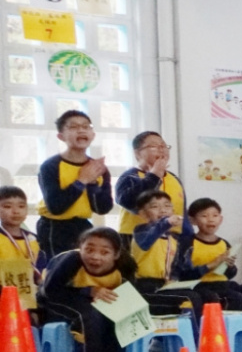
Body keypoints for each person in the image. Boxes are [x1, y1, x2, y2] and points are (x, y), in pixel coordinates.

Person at [39, 227, 136, 352]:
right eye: (89, 250)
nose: (95, 257)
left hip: (92, 300)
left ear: (116, 255)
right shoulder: (71, 260)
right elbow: (50, 291)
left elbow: (127, 295)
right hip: (56, 297)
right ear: (80, 247)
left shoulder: (124, 267)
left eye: (104, 252)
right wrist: (89, 291)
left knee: (120, 314)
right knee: (89, 315)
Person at [37, 111, 112, 256]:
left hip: (82, 225)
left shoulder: (98, 168)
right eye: (73, 127)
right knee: (59, 267)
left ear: (93, 134)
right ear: (61, 136)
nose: (81, 130)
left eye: (86, 126)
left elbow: (103, 208)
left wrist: (92, 183)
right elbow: (56, 207)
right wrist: (81, 181)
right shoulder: (50, 166)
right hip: (53, 227)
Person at [173, 198, 242, 312]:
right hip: (199, 285)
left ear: (220, 219)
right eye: (204, 216)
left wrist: (230, 267)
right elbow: (183, 275)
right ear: (192, 220)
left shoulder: (224, 243)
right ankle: (223, 323)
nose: (211, 220)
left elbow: (229, 274)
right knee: (234, 298)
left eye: (215, 215)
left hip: (223, 284)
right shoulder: (187, 243)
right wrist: (212, 264)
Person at [127, 190, 202, 317]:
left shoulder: (174, 239)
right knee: (190, 299)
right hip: (144, 287)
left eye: (167, 206)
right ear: (143, 214)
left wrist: (174, 278)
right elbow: (147, 241)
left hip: (165, 286)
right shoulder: (140, 232)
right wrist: (166, 223)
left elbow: (178, 267)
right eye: (155, 206)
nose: (162, 210)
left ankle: (193, 329)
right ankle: (196, 331)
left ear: (173, 211)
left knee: (199, 295)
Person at [114, 132, 185, 237]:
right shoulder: (130, 176)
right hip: (136, 239)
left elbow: (182, 213)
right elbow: (129, 203)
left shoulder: (174, 178)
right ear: (137, 153)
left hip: (170, 240)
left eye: (163, 146)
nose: (161, 149)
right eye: (154, 146)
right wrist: (154, 176)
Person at [0, 186, 46, 319]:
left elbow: (40, 268)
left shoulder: (33, 239)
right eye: (7, 206)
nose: (15, 211)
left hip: (28, 291)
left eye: (21, 206)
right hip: (4, 292)